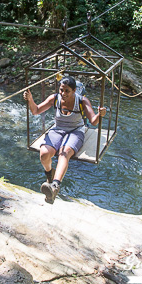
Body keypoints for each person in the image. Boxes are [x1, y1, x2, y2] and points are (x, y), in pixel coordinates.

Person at [23, 76, 106, 204]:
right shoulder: (55, 98)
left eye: (67, 91)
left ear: (74, 91)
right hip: (58, 129)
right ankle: (49, 175)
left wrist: (100, 115)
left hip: (76, 130)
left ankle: (55, 186)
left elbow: (93, 121)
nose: (63, 93)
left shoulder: (82, 101)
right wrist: (30, 99)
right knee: (44, 154)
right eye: (61, 90)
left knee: (64, 152)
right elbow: (36, 111)